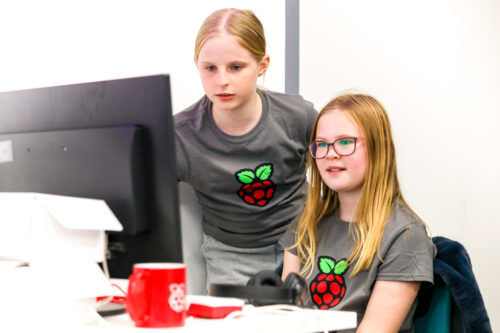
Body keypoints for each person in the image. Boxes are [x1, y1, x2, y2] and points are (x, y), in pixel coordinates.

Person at [175, 8, 317, 288]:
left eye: (236, 67)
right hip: (231, 256)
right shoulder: (181, 137)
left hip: (303, 248)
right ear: (197, 64)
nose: (222, 81)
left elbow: (335, 174)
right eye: (210, 68)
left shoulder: (298, 117)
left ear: (262, 66)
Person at [280, 94, 434, 332]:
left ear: (377, 146)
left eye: (344, 142)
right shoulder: (305, 224)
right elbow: (284, 320)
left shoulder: (405, 236)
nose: (330, 153)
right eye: (321, 144)